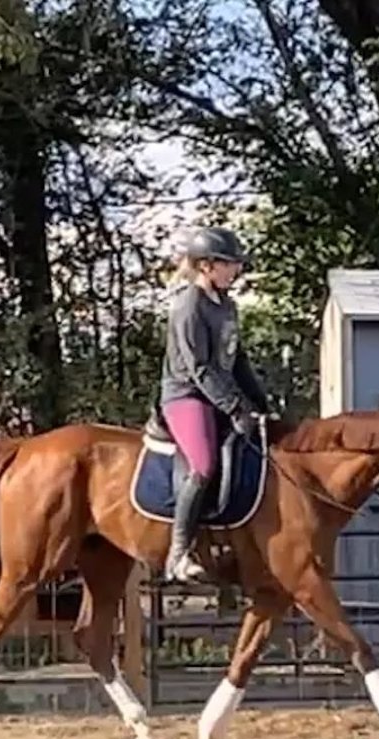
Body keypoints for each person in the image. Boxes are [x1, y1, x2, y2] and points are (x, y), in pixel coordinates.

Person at [159, 226, 270, 583]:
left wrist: (260, 404)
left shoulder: (228, 306)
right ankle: (178, 553)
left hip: (217, 394)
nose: (236, 270)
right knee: (204, 465)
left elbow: (237, 362)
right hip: (186, 395)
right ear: (207, 266)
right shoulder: (188, 303)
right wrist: (235, 407)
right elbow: (199, 367)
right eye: (229, 264)